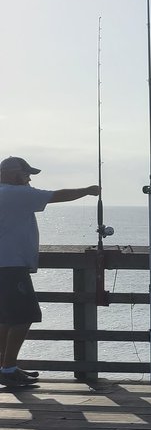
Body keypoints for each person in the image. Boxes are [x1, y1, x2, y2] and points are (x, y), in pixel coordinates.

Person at [0, 156, 100, 387]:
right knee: (24, 316)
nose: (29, 179)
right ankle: (8, 369)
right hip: (11, 266)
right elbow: (57, 195)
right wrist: (88, 190)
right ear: (15, 173)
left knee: (6, 318)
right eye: (26, 174)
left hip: (5, 265)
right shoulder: (17, 194)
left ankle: (5, 366)